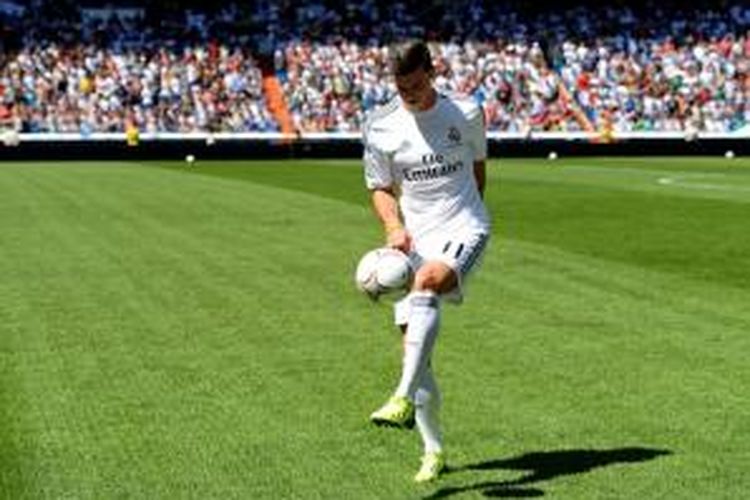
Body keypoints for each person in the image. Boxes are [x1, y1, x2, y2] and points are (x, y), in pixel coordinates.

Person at [362, 41, 490, 483]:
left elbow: (478, 170)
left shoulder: (468, 112)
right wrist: (393, 228)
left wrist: (466, 217)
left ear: (432, 72)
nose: (410, 95)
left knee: (430, 282)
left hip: (464, 227)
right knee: (417, 356)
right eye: (401, 88)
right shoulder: (379, 126)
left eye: (416, 85)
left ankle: (398, 397)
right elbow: (379, 186)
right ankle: (433, 451)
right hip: (413, 239)